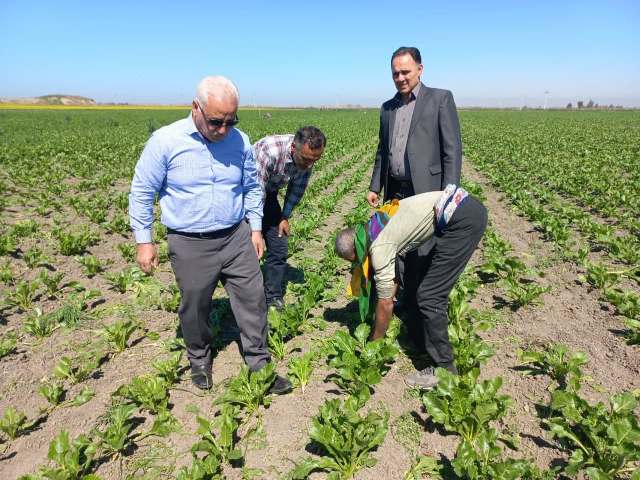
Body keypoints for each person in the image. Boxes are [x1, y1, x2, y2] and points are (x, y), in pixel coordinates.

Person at [129, 75, 291, 394]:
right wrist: (144, 240)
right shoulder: (165, 141)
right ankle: (200, 359)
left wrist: (255, 229)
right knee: (195, 306)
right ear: (196, 108)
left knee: (253, 298)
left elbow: (251, 186)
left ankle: (259, 363)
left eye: (231, 121)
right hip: (190, 242)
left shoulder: (240, 141)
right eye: (217, 121)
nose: (224, 129)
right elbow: (142, 190)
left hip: (235, 236)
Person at [335, 186, 487, 389]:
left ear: (355, 250)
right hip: (463, 208)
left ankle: (445, 371)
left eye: (353, 261)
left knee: (430, 297)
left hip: (463, 220)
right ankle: (423, 339)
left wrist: (373, 344)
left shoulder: (378, 246)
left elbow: (385, 303)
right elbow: (392, 277)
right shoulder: (374, 225)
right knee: (420, 285)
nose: (356, 265)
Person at [367, 45, 463, 334]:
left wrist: (449, 193)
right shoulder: (387, 108)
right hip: (396, 190)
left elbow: (452, 150)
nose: (400, 78)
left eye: (405, 72)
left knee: (424, 249)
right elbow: (382, 150)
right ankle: (403, 301)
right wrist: (375, 185)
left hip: (428, 189)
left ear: (420, 69)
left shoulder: (440, 99)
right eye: (395, 73)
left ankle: (421, 308)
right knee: (396, 246)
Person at [253, 127, 326, 310]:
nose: (310, 164)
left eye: (315, 160)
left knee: (279, 245)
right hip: (245, 195)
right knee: (249, 249)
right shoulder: (269, 151)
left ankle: (273, 296)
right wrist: (255, 230)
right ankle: (249, 297)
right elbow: (255, 192)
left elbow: (297, 188)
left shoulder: (307, 158)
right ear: (294, 148)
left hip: (269, 194)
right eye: (306, 159)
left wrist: (284, 216)